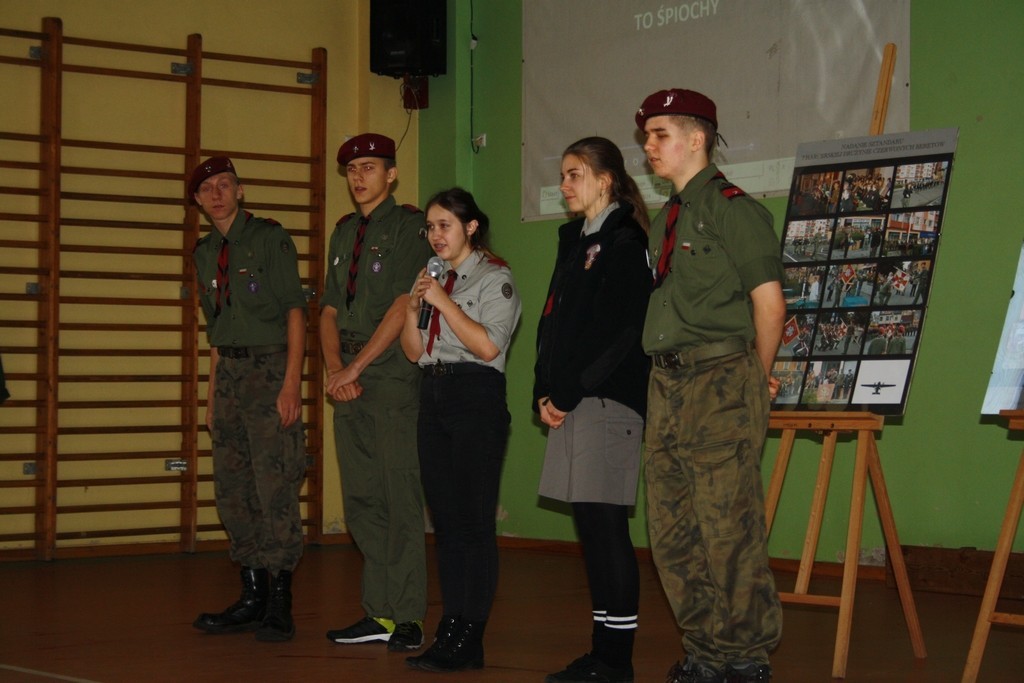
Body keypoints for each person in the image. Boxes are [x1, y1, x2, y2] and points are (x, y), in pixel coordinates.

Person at [635, 89, 786, 683]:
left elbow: (769, 306)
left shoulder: (733, 210)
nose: (649, 146)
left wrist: (755, 375)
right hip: (667, 383)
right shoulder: (664, 220)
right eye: (646, 136)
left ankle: (744, 658)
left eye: (660, 134)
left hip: (721, 379)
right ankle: (706, 653)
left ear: (697, 139)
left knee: (728, 528)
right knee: (671, 530)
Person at [532, 137, 652, 683]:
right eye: (562, 175)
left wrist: (568, 392)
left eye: (574, 174)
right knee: (591, 529)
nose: (563, 185)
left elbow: (620, 333)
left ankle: (615, 660)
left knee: (607, 530)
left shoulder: (625, 240)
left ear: (605, 180)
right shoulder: (574, 240)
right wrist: (543, 389)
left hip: (606, 400)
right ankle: (601, 651)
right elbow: (553, 322)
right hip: (573, 399)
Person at [399, 187, 521, 673]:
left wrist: (444, 302)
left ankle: (472, 632)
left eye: (445, 225)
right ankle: (451, 625)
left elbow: (488, 347)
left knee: (473, 523)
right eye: (430, 227)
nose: (436, 235)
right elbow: (414, 352)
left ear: (471, 227)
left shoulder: (496, 278)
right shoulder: (432, 278)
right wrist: (412, 311)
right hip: (434, 395)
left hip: (475, 397)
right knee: (445, 525)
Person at [321, 134, 432, 651]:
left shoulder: (410, 227)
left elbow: (400, 306)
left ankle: (408, 616)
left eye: (369, 167)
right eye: (351, 169)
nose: (358, 177)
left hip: (389, 376)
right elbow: (328, 309)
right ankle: (379, 612)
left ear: (391, 174)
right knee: (362, 499)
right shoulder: (344, 232)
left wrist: (355, 367)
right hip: (348, 375)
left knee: (398, 496)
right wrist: (335, 369)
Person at [189, 156, 307, 642]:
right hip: (230, 376)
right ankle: (252, 593)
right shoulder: (203, 253)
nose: (217, 194)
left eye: (225, 185)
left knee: (275, 484)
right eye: (207, 189)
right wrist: (211, 396)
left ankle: (280, 600)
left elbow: (295, 311)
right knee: (233, 488)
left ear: (240, 191)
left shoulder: (269, 238)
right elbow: (216, 331)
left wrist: (291, 383)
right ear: (197, 201)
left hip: (270, 369)